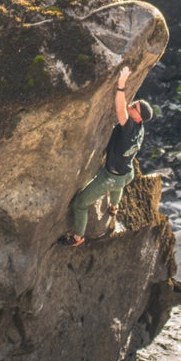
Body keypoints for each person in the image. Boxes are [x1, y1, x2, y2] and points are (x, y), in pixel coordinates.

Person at [61, 65, 153, 247]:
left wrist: (121, 85)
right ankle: (114, 206)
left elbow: (120, 109)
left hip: (112, 177)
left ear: (138, 118)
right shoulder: (140, 129)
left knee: (80, 203)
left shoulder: (129, 129)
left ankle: (78, 236)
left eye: (134, 107)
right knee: (119, 185)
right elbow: (126, 111)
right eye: (135, 103)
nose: (131, 105)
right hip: (127, 173)